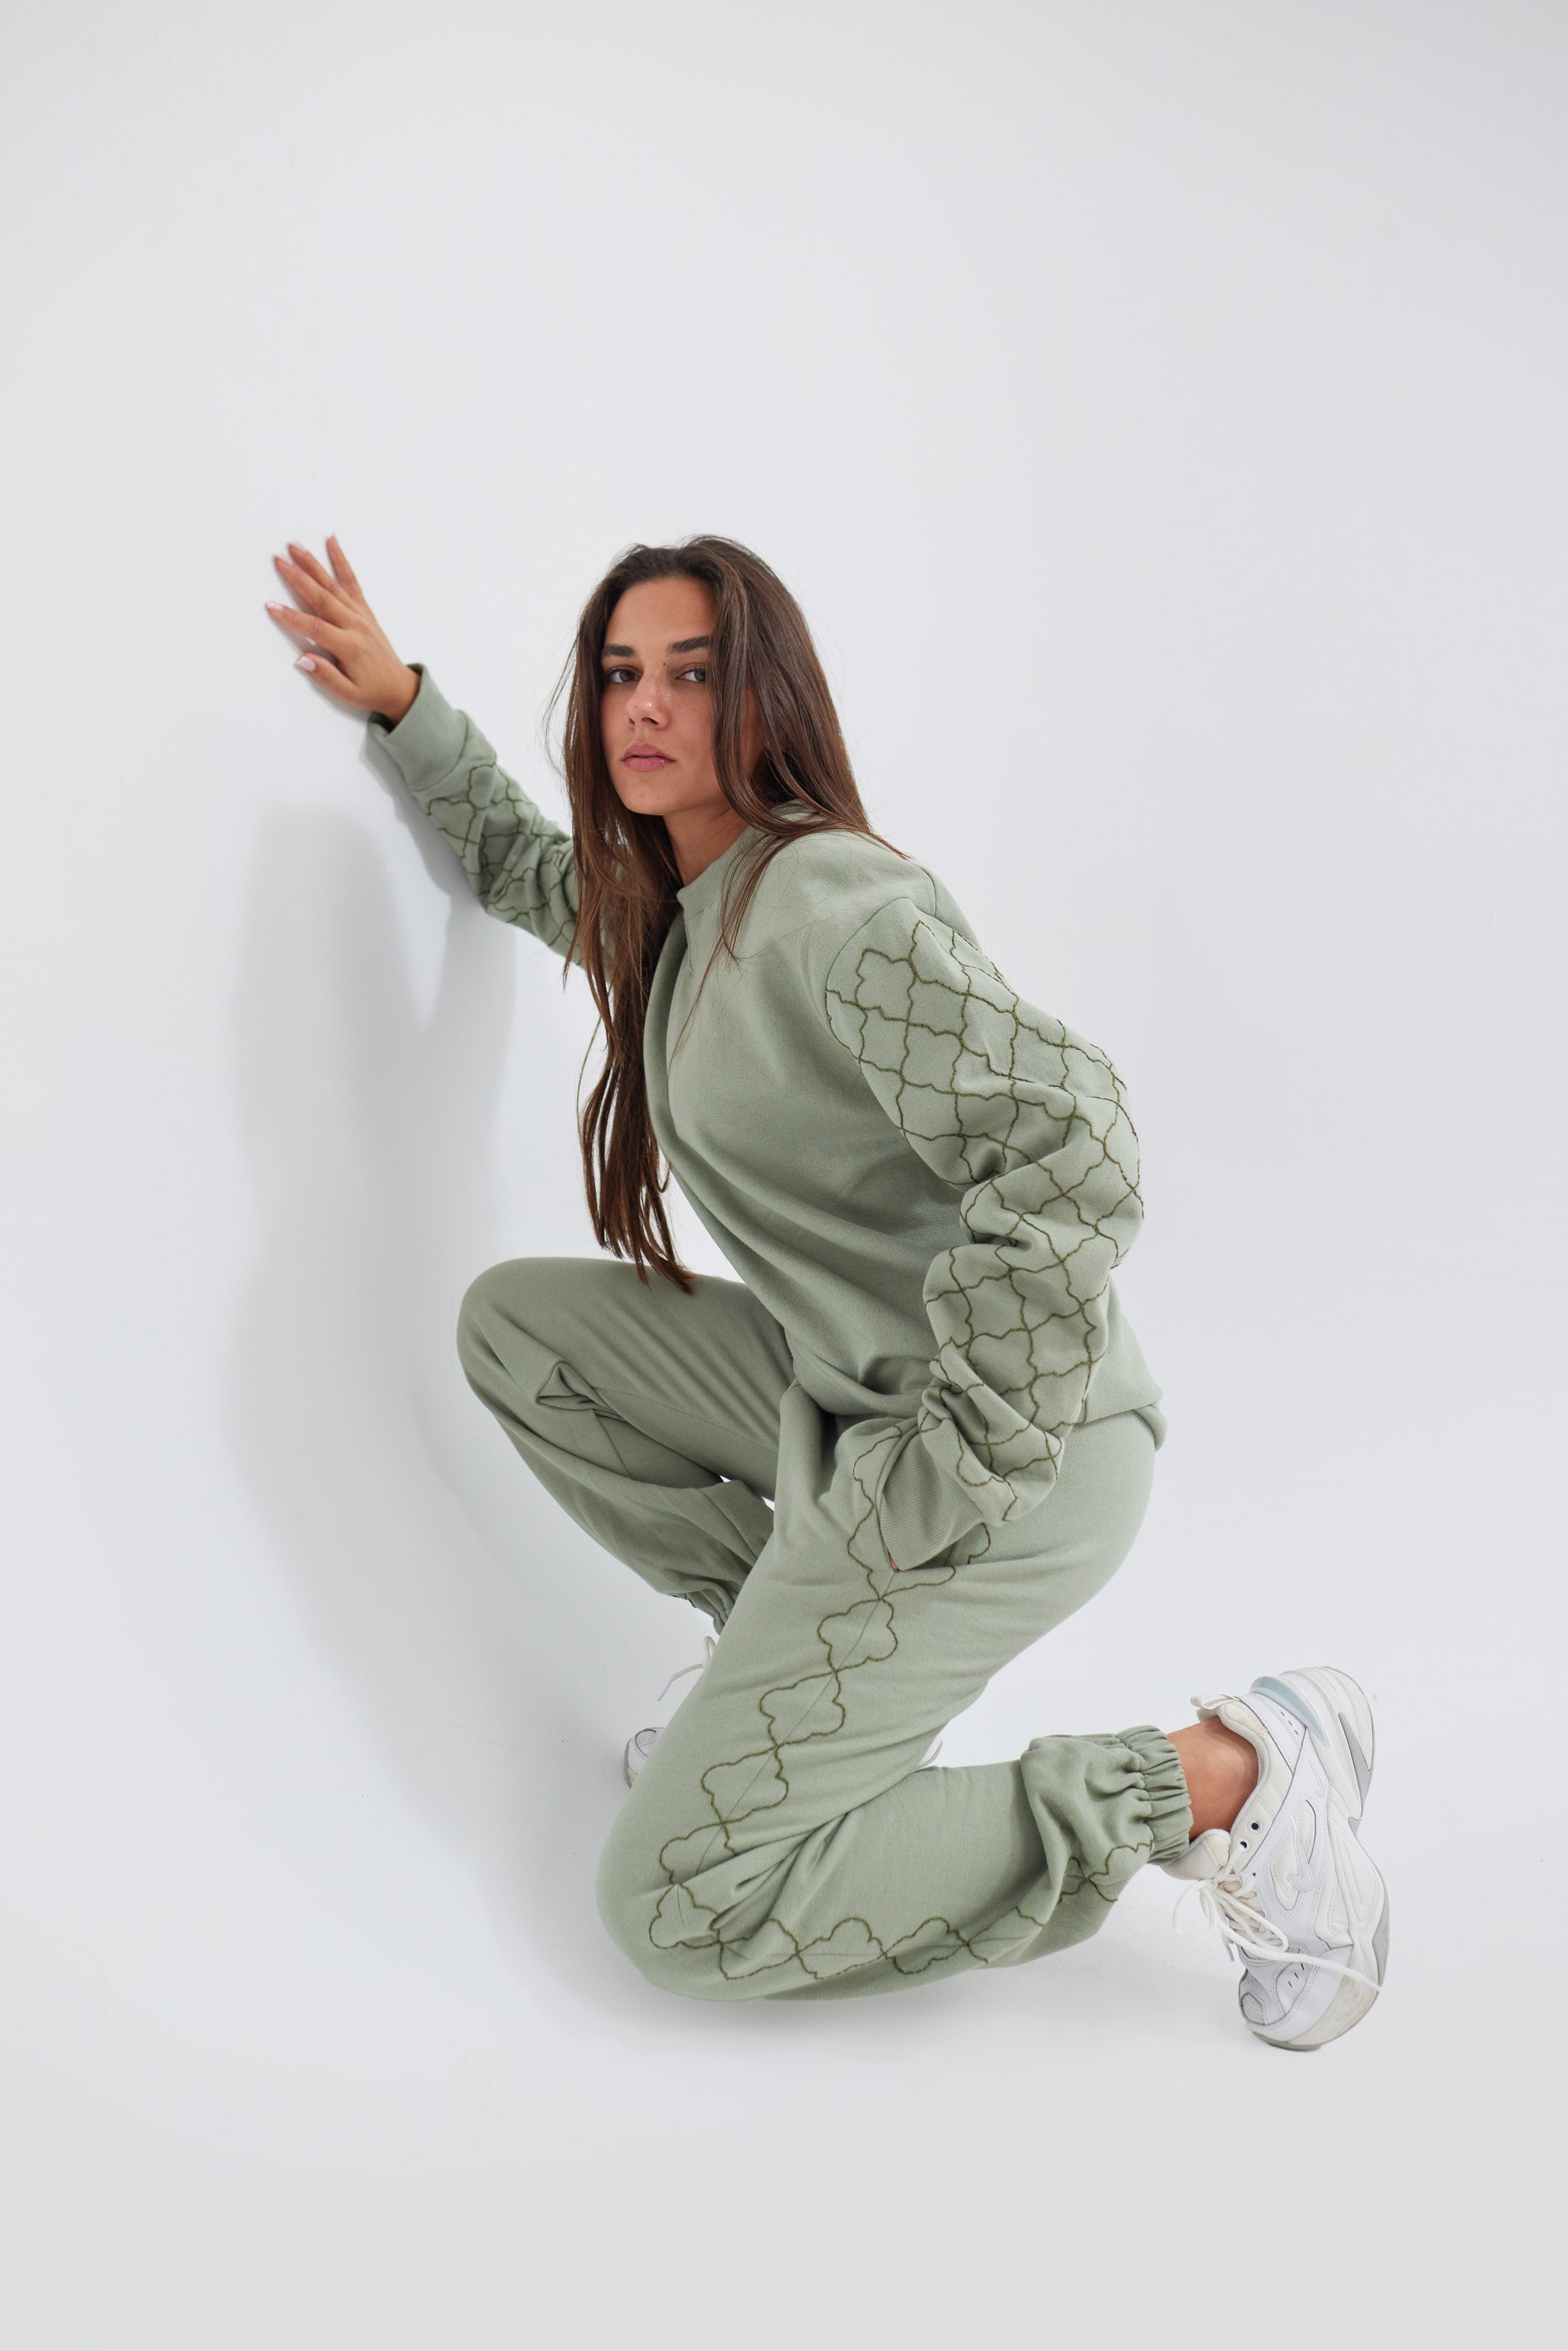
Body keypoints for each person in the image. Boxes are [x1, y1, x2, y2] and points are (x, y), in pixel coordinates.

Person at [264, 531, 1388, 2048]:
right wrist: (407, 708)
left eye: (691, 674)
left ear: (763, 699)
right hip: (854, 1400)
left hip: (1015, 1461)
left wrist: (958, 1467)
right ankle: (781, 1666)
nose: (643, 706)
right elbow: (542, 877)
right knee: (520, 1334)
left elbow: (1072, 1144)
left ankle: (1223, 1777)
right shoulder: (683, 908)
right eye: (619, 674)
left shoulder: (827, 905)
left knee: (678, 1907)